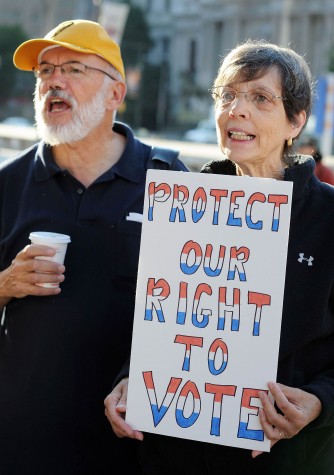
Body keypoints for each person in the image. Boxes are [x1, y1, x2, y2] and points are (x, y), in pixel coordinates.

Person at [105, 39, 334, 475]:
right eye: (227, 95)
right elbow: (163, 321)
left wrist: (321, 400)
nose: (237, 110)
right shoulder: (179, 209)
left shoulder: (328, 217)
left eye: (260, 98)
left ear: (296, 121)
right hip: (172, 456)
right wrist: (128, 380)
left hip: (286, 460)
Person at [0, 19, 188, 475]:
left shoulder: (170, 181)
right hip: (24, 442)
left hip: (135, 441)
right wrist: (4, 285)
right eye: (44, 71)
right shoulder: (8, 183)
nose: (53, 82)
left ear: (116, 93)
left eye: (73, 69)